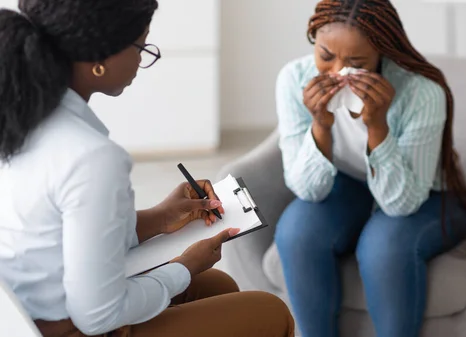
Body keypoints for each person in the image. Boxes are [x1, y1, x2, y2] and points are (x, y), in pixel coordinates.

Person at [0, 1, 294, 337]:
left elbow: (58, 235)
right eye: (141, 45)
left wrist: (160, 218)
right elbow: (97, 316)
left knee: (217, 284)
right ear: (99, 59)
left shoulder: (21, 115)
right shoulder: (90, 157)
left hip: (24, 315)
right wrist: (184, 267)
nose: (142, 59)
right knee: (269, 312)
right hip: (68, 326)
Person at [274, 1, 466, 336]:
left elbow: (400, 205)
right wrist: (320, 127)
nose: (338, 73)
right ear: (313, 38)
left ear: (381, 55)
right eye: (326, 56)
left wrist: (378, 127)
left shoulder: (421, 93)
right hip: (353, 185)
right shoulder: (294, 79)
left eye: (356, 63)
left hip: (427, 196)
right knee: (296, 233)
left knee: (383, 247)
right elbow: (307, 190)